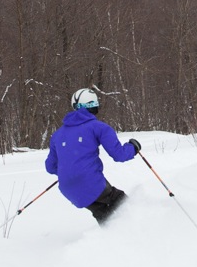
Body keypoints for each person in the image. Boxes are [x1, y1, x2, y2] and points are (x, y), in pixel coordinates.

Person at [45, 87, 141, 224]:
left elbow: (50, 167)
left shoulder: (58, 134)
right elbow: (119, 155)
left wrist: (71, 169)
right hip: (92, 183)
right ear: (95, 106)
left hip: (68, 189)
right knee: (123, 204)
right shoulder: (99, 127)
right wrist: (133, 147)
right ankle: (139, 230)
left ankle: (110, 239)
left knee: (106, 217)